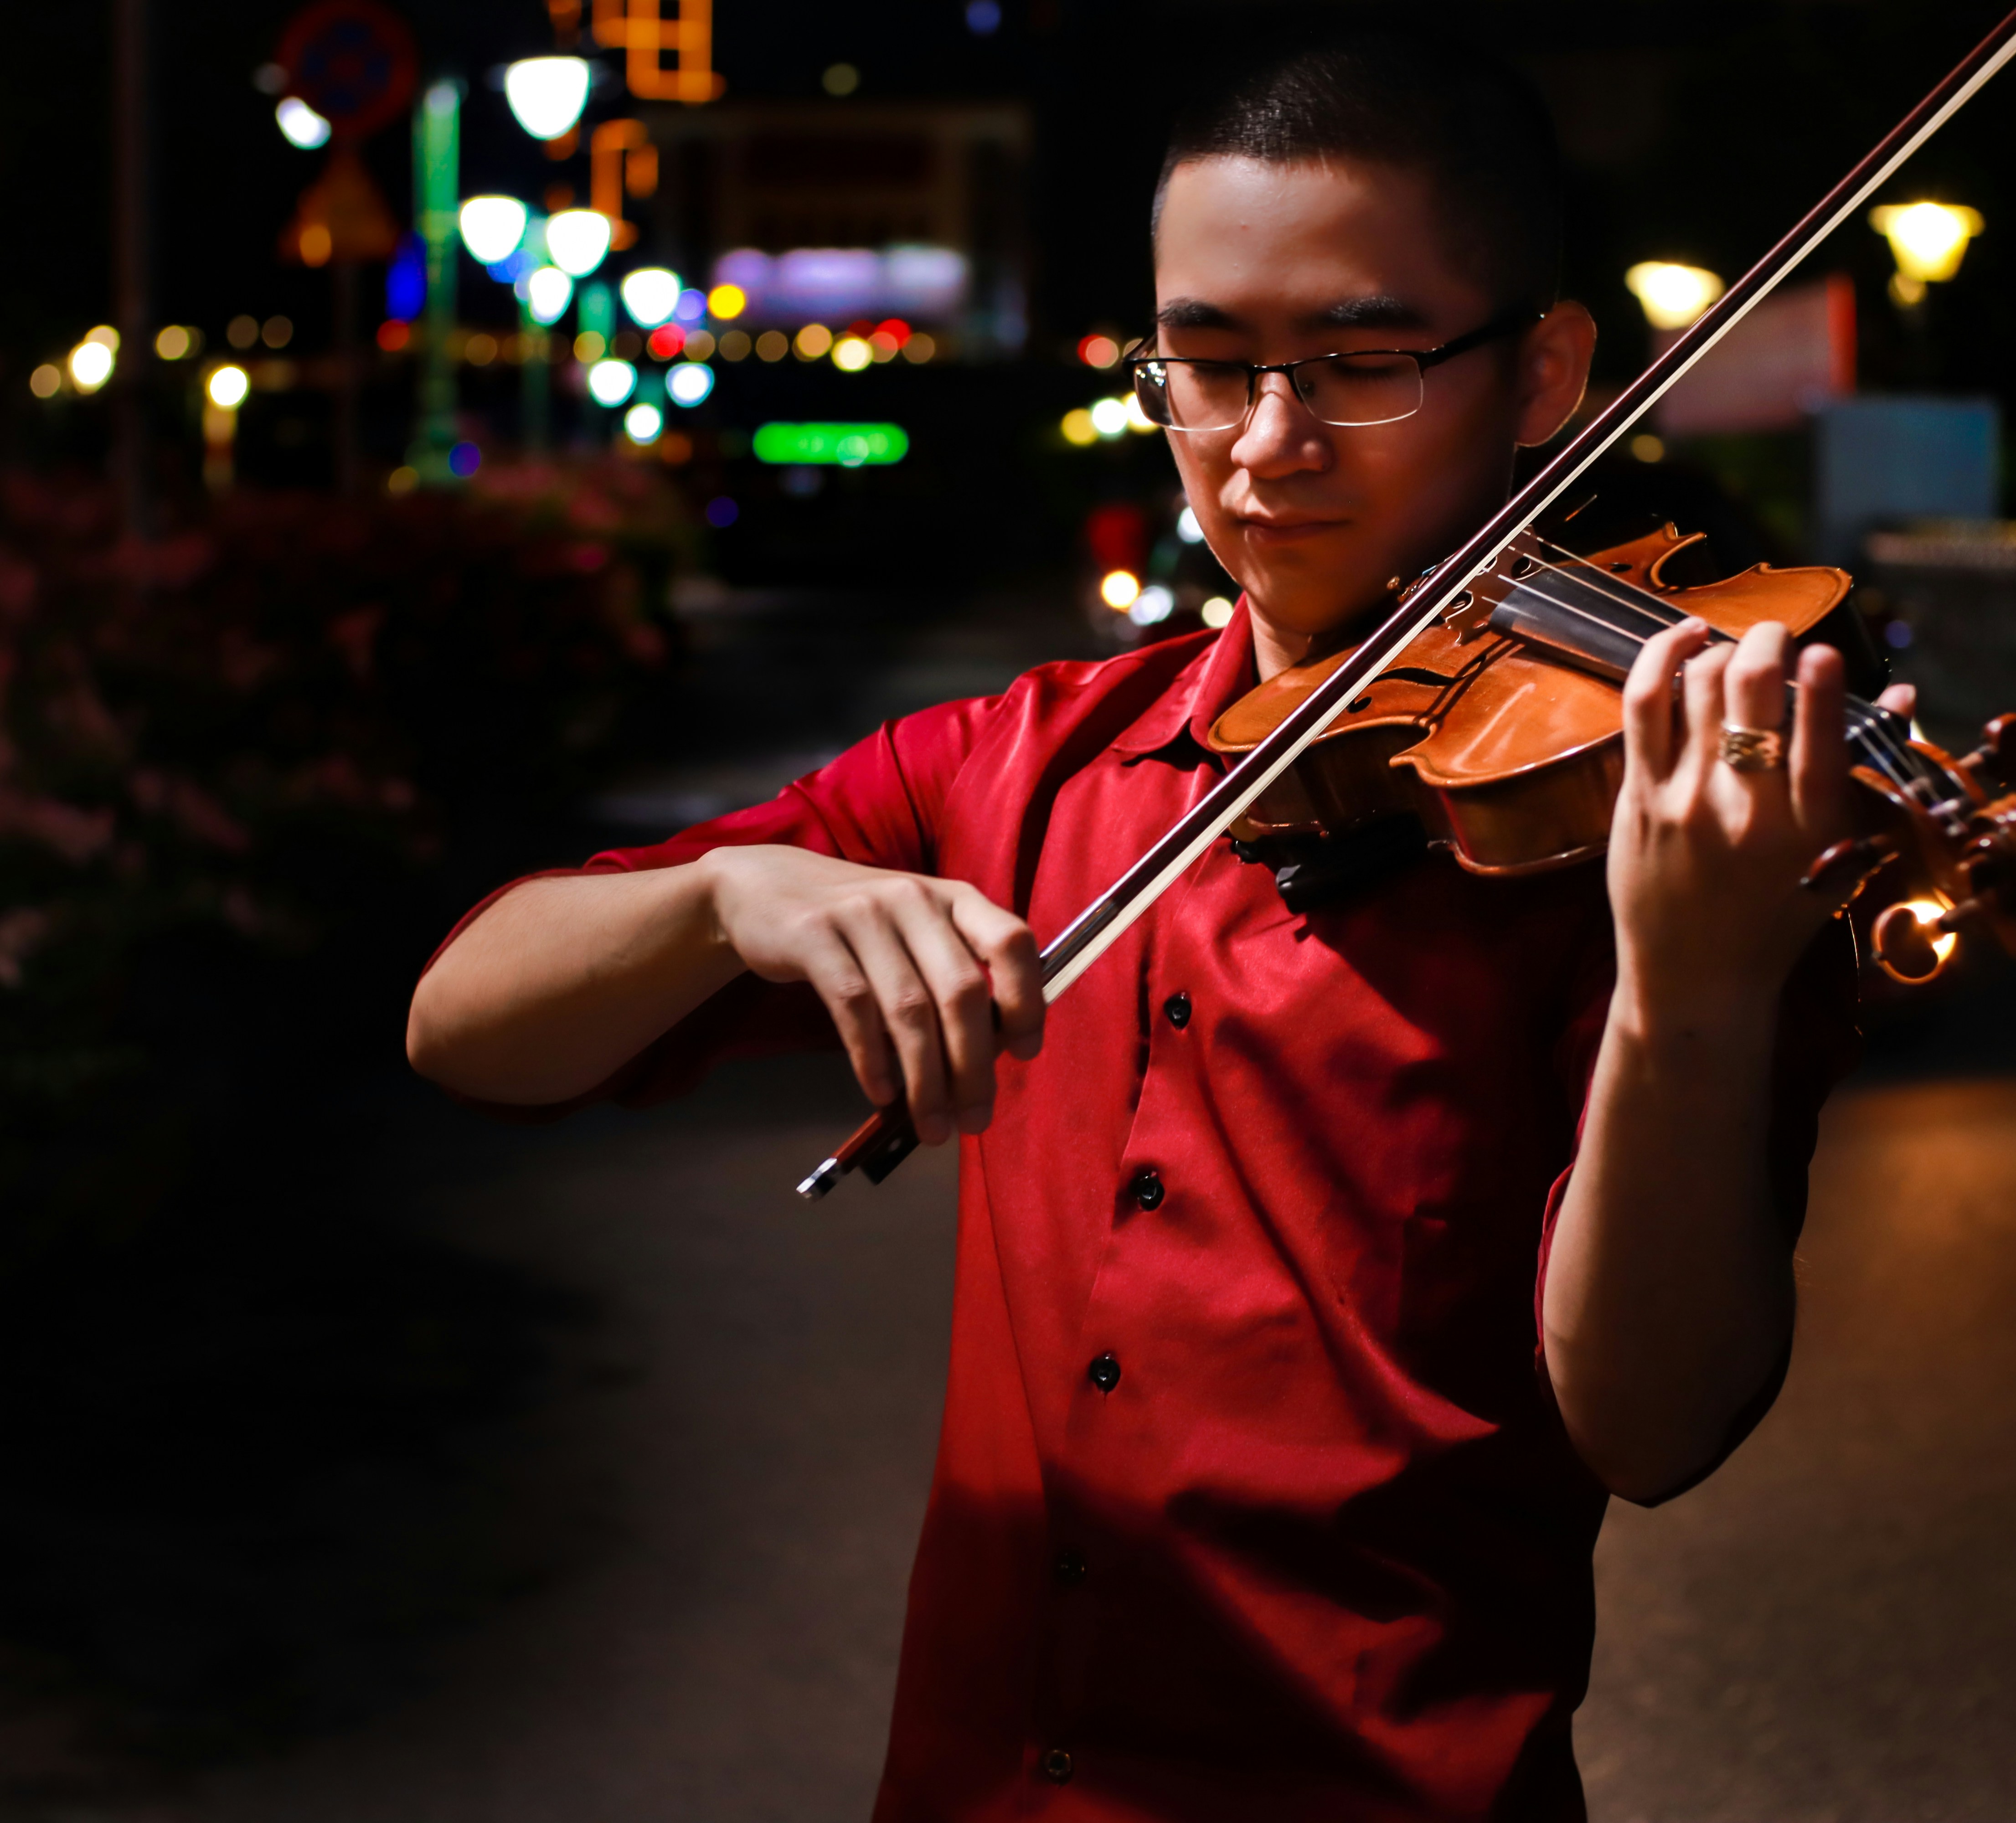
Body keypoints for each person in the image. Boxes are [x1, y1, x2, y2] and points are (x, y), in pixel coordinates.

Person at [410, 36, 1908, 1822]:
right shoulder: (1025, 760)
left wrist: (1690, 998)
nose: (1266, 451)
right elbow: (466, 1023)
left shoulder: (1659, 836)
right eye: (1205, 368)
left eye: (1361, 366)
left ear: (1546, 375)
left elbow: (1655, 1430)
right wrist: (736, 889)